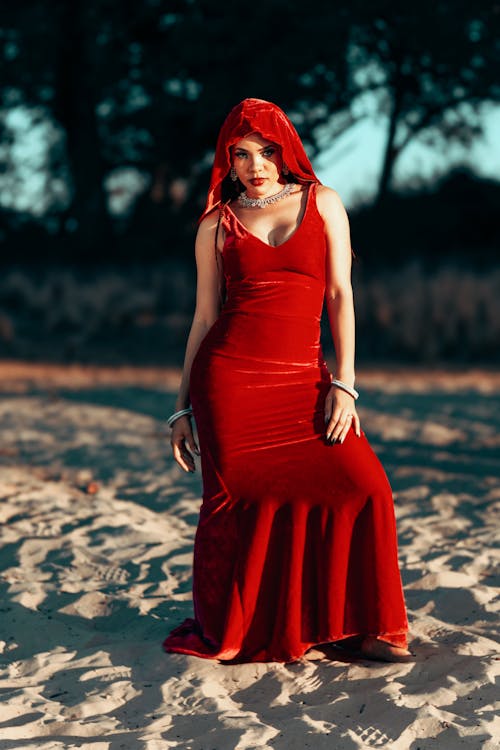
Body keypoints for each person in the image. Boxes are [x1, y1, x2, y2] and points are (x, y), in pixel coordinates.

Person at [164, 98, 411, 664]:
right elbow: (204, 319)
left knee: (365, 487)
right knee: (243, 505)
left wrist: (344, 385)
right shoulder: (215, 224)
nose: (256, 164)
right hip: (229, 384)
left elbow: (341, 296)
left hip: (305, 380)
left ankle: (365, 624)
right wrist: (181, 408)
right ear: (226, 162)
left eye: (267, 150)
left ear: (288, 149)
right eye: (242, 154)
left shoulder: (324, 203)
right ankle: (243, 626)